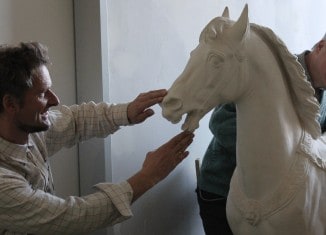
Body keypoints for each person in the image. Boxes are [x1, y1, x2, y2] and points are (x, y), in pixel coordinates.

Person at [0, 42, 194, 235]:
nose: (55, 100)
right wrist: (148, 176)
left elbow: (76, 120)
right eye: (43, 94)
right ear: (10, 104)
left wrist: (127, 111)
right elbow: (71, 217)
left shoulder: (29, 129)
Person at [196, 33, 326, 235]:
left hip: (272, 206)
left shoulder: (324, 100)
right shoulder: (272, 71)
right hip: (220, 188)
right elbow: (220, 120)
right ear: (320, 46)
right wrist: (276, 156)